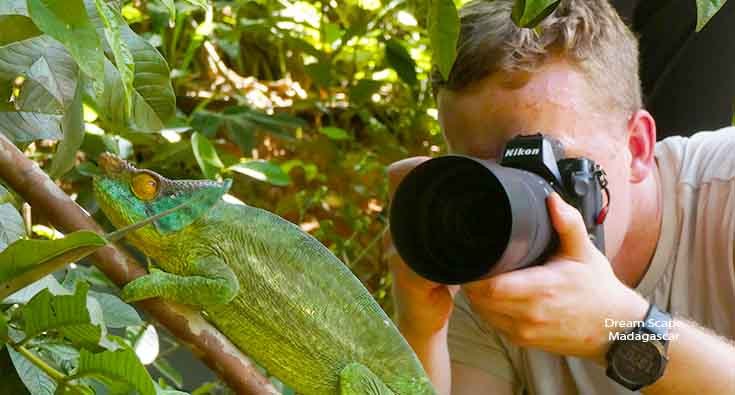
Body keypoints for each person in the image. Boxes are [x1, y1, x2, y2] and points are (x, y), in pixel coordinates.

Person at [384, 1, 735, 394]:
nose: (504, 205)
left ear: (637, 146)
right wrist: (421, 329)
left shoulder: (726, 189)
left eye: (541, 165)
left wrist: (618, 326)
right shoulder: (481, 249)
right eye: (483, 172)